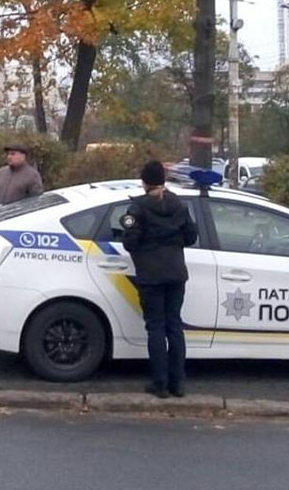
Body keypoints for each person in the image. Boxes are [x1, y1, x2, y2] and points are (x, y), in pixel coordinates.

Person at [121, 160, 198, 399]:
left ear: (144, 182)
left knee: (155, 326)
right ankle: (179, 384)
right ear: (163, 180)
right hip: (176, 272)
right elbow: (191, 236)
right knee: (174, 325)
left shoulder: (137, 208)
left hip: (150, 274)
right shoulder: (179, 204)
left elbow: (129, 241)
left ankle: (160, 384)